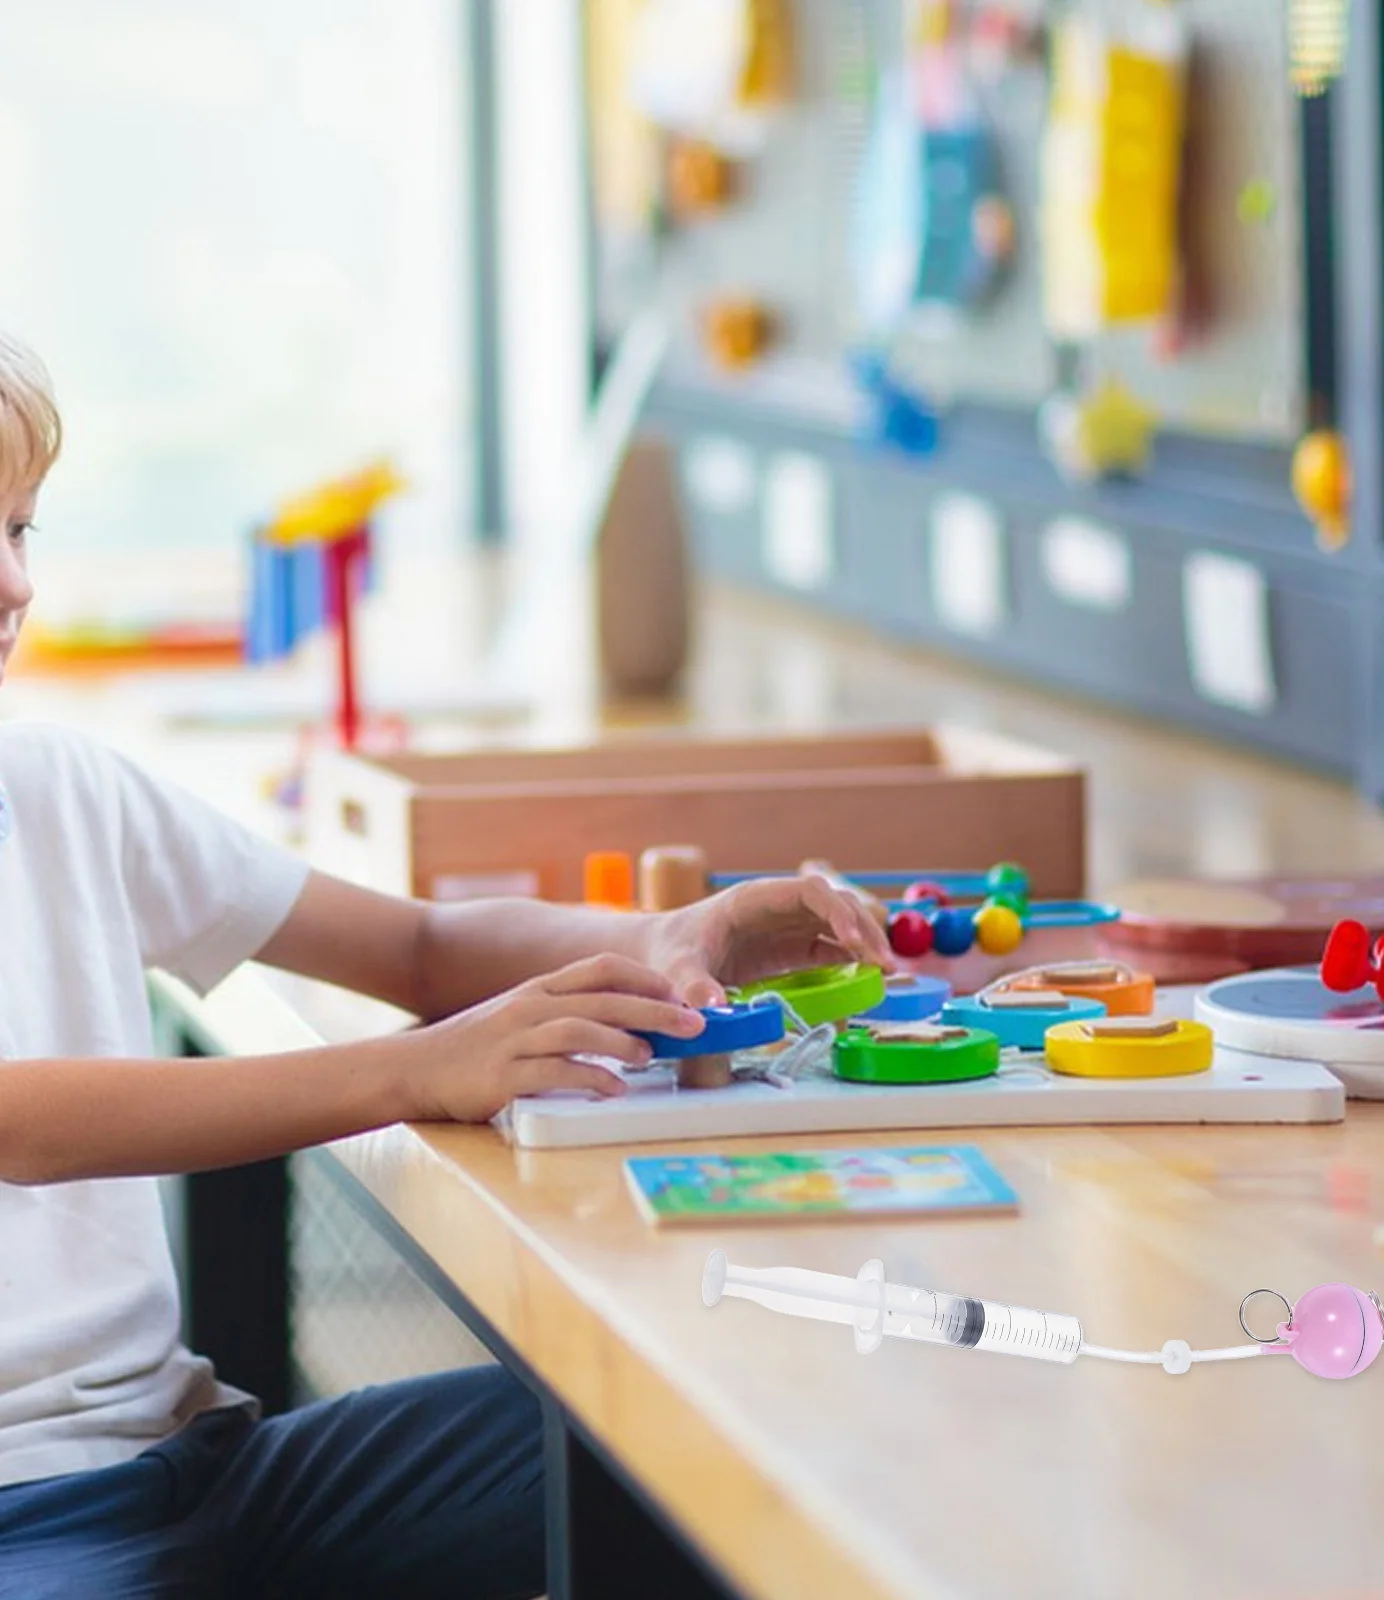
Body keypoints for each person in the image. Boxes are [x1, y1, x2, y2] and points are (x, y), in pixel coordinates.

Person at [0, 331, 892, 1598]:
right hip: (25, 1529)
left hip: (206, 1460)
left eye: (24, 529)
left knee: (693, 1456)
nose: (13, 583)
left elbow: (416, 945)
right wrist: (417, 1073)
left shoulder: (64, 788)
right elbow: (19, 1118)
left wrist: (663, 940)